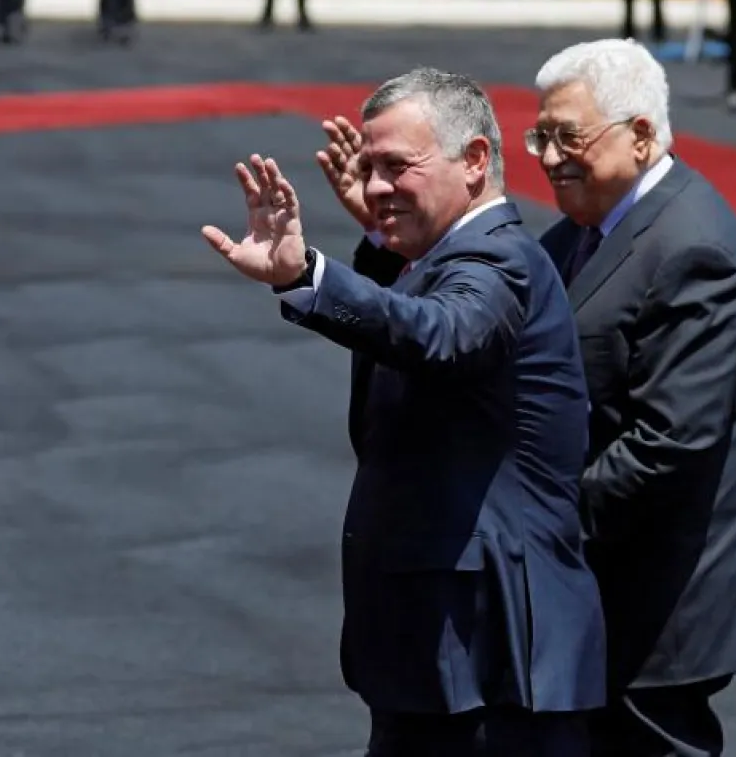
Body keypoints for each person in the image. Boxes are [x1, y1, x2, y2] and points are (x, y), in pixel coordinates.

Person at [201, 68, 607, 756]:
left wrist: (308, 277)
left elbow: (439, 334)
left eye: (397, 166)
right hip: (441, 657)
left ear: (475, 160)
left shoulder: (499, 259)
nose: (379, 184)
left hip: (489, 662)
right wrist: (385, 243)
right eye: (370, 166)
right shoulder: (443, 259)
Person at [530, 39, 736, 757]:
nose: (550, 157)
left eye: (569, 136)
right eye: (541, 136)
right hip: (602, 587)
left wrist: (543, 516)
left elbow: (672, 441)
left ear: (641, 134)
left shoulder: (692, 247)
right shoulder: (584, 232)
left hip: (659, 600)